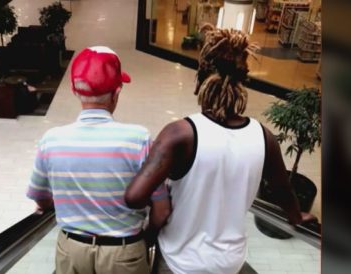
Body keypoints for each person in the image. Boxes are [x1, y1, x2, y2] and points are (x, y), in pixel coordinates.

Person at [124, 26, 315, 274]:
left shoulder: (180, 134)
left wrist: (162, 191)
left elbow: (134, 196)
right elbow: (283, 192)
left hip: (179, 262)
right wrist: (298, 218)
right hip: (229, 264)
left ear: (201, 77)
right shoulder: (264, 137)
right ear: (243, 80)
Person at [26, 46, 169, 274]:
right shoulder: (138, 139)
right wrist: (147, 239)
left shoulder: (51, 140)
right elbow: (161, 209)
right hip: (124, 254)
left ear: (74, 90)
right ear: (116, 93)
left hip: (71, 251)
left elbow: (40, 199)